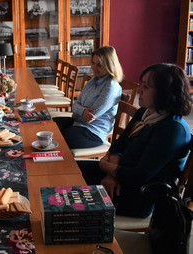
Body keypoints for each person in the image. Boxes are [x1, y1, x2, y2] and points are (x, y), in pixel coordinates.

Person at [78, 63, 192, 218]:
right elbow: (119, 144)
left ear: (164, 92)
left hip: (139, 197)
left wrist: (105, 165)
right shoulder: (145, 113)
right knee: (69, 169)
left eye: (145, 87)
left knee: (69, 186)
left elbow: (139, 175)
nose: (139, 91)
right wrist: (110, 174)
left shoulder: (173, 129)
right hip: (121, 175)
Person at [53, 46, 123, 149]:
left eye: (99, 65)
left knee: (55, 138)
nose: (94, 67)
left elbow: (91, 116)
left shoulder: (111, 86)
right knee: (50, 125)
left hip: (93, 132)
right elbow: (75, 104)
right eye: (93, 63)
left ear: (109, 66)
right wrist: (82, 111)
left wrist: (79, 110)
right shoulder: (93, 80)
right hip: (78, 123)